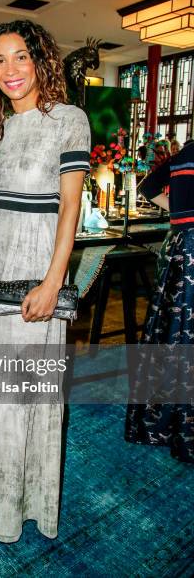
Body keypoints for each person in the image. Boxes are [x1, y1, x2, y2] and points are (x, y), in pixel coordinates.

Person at [0, 20, 90, 542]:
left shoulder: (69, 120)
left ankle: (22, 503)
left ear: (40, 61)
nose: (9, 70)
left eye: (20, 57)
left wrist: (53, 281)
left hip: (37, 266)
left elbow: (70, 210)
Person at [125, 140, 194, 463]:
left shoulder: (183, 156)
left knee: (170, 332)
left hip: (180, 247)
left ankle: (161, 421)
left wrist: (178, 210)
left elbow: (148, 186)